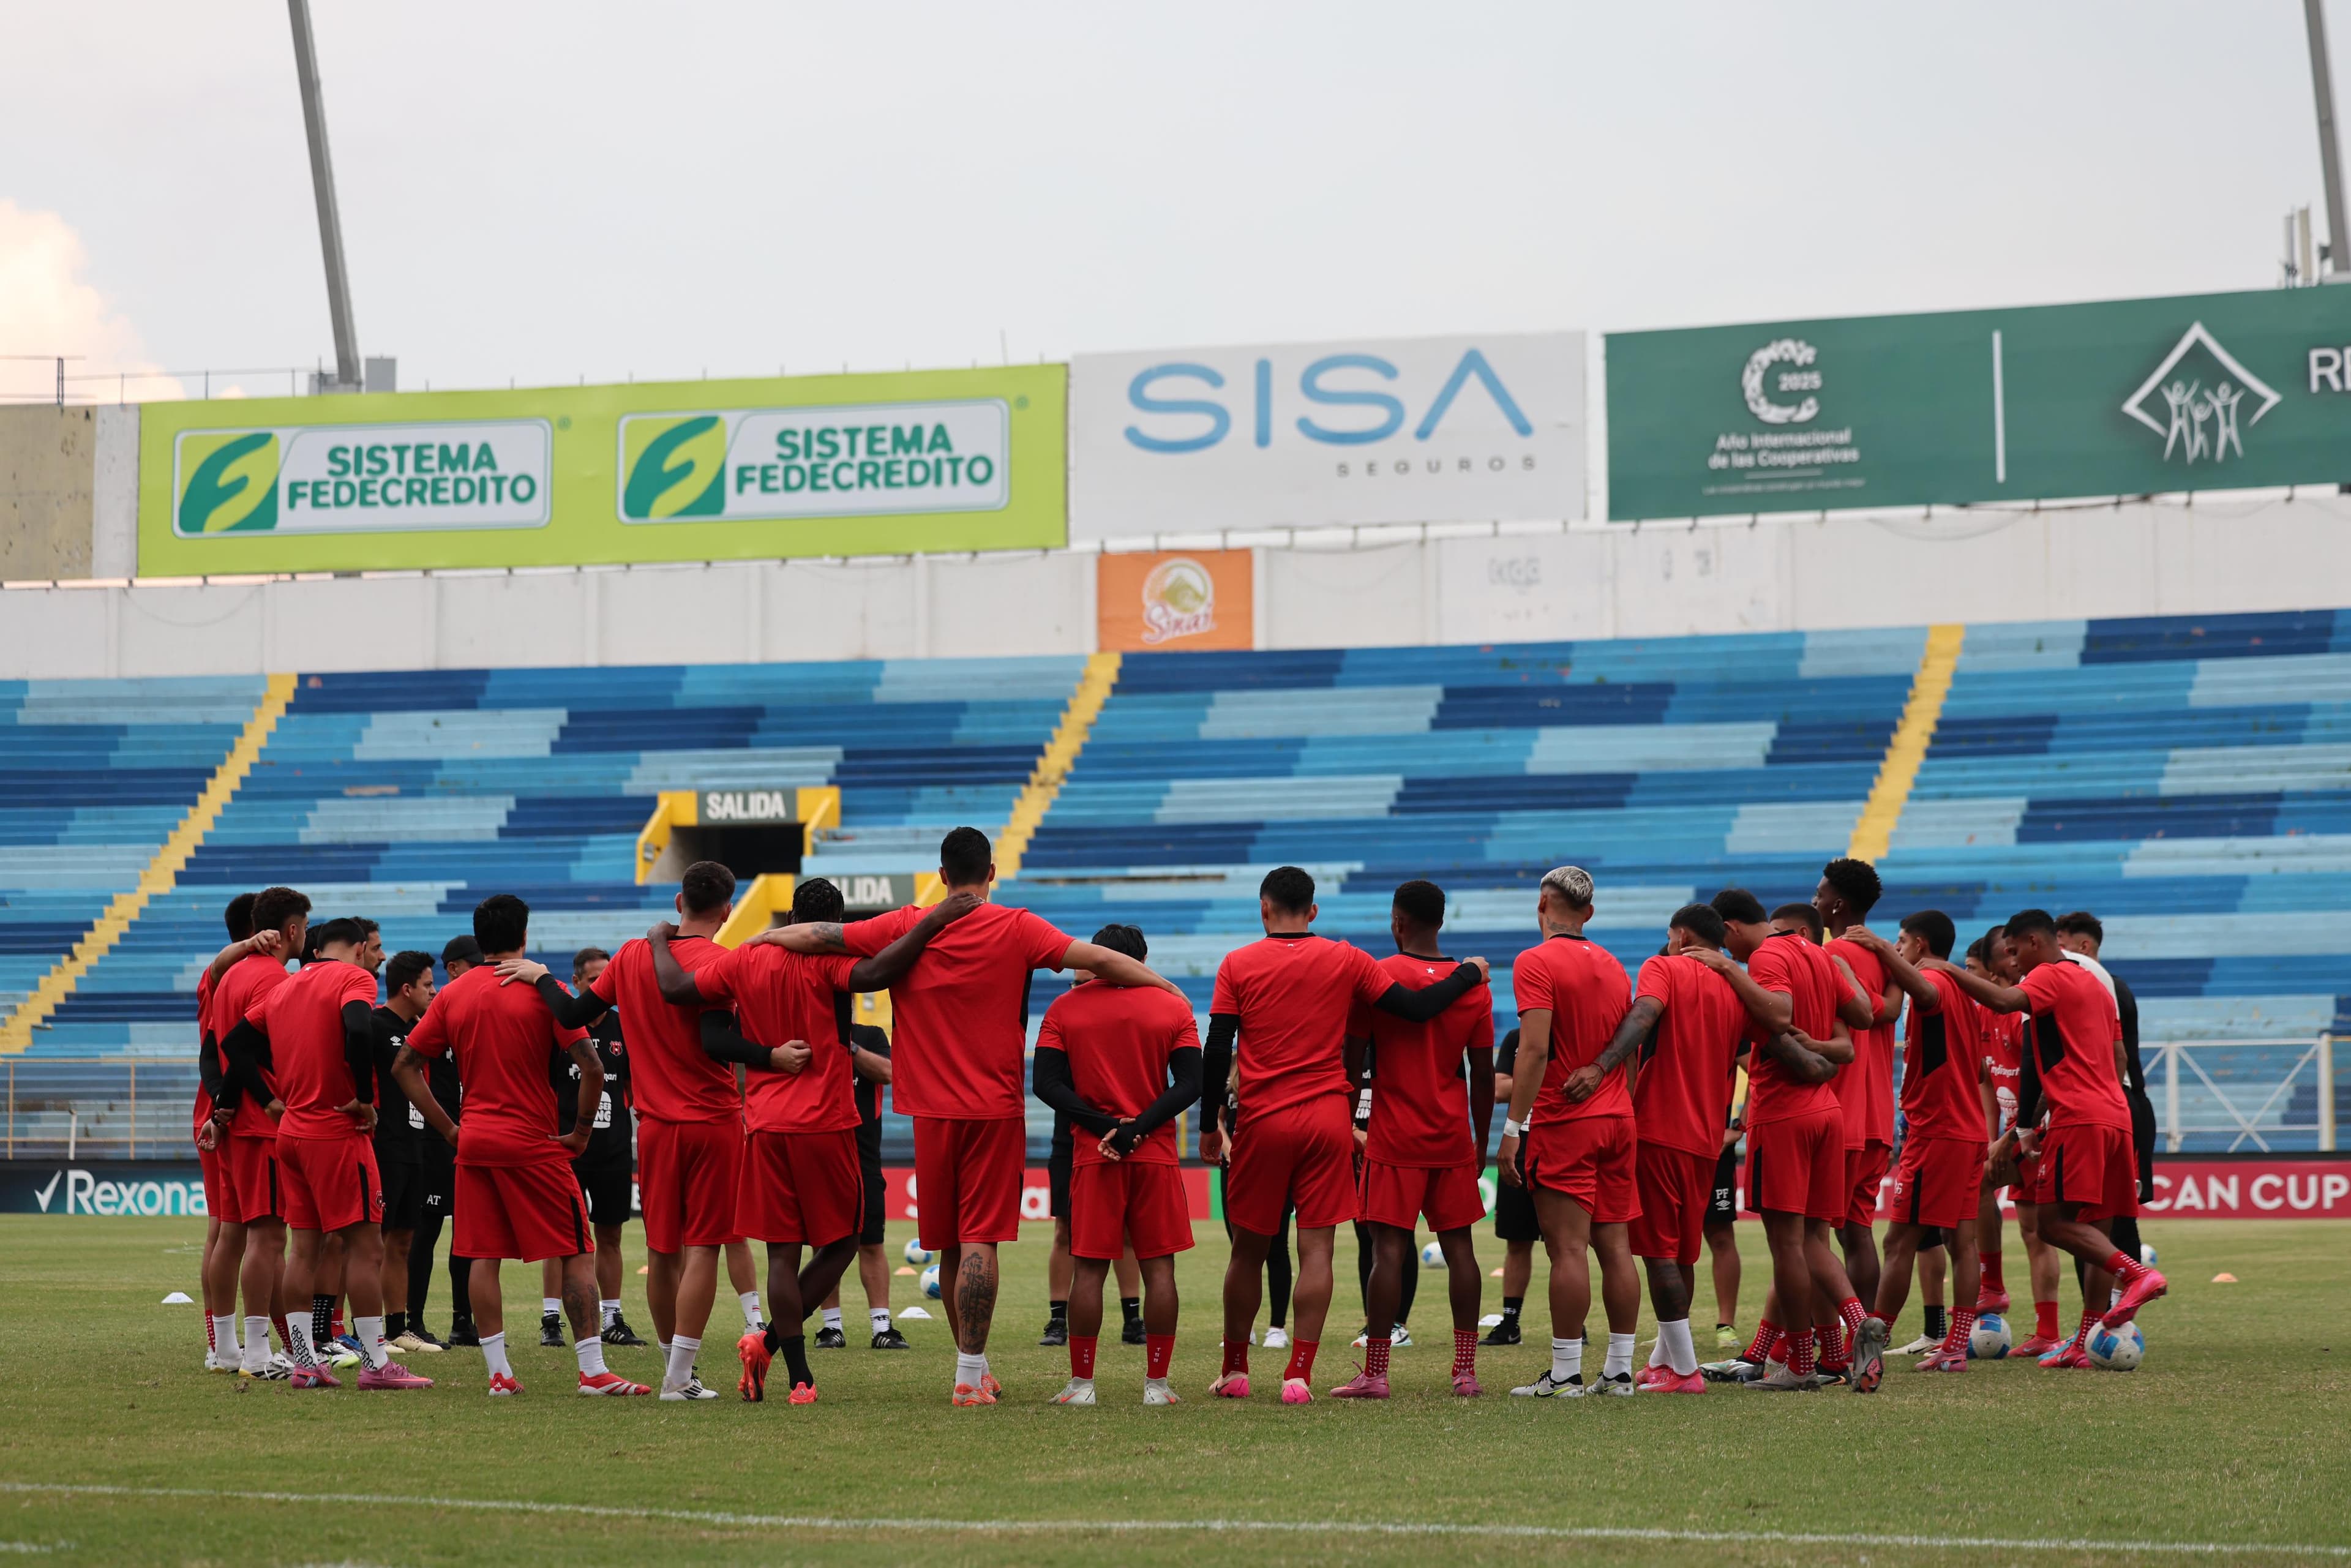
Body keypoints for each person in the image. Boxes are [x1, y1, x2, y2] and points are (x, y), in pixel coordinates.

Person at [748, 826, 1183, 1406]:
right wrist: (1167, 987)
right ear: (992, 873)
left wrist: (760, 937)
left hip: (927, 1108)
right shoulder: (1018, 926)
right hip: (992, 1107)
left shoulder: (905, 923)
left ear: (943, 873)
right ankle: (968, 1374)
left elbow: (820, 935)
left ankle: (973, 1370)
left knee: (951, 1246)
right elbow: (1101, 958)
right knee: (981, 1241)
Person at [650, 875, 971, 1403]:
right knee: (845, 1241)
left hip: (767, 1123)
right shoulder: (827, 962)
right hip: (825, 1121)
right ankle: (770, 1346)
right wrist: (933, 920)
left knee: (781, 1254)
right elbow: (881, 969)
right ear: (832, 922)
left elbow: (675, 990)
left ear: (791, 913)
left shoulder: (745, 958)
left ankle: (799, 1377)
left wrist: (660, 940)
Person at [1198, 865, 1489, 1405]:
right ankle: (1298, 1377)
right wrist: (1469, 973)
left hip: (1264, 1119)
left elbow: (1217, 1047)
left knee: (1248, 1252)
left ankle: (1236, 1369)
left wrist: (1209, 1121)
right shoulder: (1347, 958)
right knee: (1318, 1248)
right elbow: (1417, 1007)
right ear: (1313, 911)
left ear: (1264, 909)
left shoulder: (1237, 962)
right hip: (1329, 1121)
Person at [499, 861, 744, 1400]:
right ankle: (679, 1377)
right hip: (714, 1121)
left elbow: (574, 1010)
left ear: (679, 902)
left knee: (662, 1251)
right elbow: (717, 1041)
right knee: (704, 1248)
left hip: (653, 1125)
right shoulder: (722, 963)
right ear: (727, 910)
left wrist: (540, 975)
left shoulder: (632, 954)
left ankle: (673, 1370)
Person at [392, 893, 649, 1397]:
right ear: (524, 937)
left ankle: (499, 1373)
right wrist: (579, 1132)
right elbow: (592, 1066)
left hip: (476, 1142)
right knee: (577, 1249)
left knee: (483, 1256)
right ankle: (593, 1369)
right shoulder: (537, 989)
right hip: (534, 1141)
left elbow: (405, 1065)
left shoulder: (453, 994)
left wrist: (449, 1129)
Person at [1925, 910, 2169, 1367]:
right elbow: (2117, 1053)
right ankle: (2084, 1339)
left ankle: (2137, 1275)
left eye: (2014, 951)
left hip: (2078, 1116)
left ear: (2034, 942)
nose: (2012, 961)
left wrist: (1948, 970)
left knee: (2052, 1223)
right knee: (2096, 1226)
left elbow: (2002, 1001)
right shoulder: (2097, 986)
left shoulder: (2050, 977)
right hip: (2116, 1115)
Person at [220, 917, 431, 1389]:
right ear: (357, 948)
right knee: (365, 1245)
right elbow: (358, 1028)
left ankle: (303, 1360)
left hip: (291, 1131)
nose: (375, 960)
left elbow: (235, 1043)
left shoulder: (285, 987)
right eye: (373, 950)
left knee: (305, 1248)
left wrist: (270, 1098)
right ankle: (377, 1364)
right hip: (336, 1130)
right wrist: (363, 1096)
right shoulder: (352, 978)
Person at [1685, 888, 1867, 1390]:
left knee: (1788, 1246)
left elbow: (1781, 1014)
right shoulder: (1817, 953)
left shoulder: (1764, 956)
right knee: (1814, 1240)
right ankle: (1849, 1333)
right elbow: (1864, 1017)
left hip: (1783, 1113)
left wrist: (1727, 972)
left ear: (1730, 929)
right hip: (1828, 1110)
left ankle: (1802, 1367)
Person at [1031, 923, 1202, 1408]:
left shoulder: (1064, 1009)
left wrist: (1104, 1124)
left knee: (1088, 1270)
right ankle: (1158, 1385)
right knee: (1160, 1270)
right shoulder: (1173, 1007)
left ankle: (1083, 1386)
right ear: (1141, 959)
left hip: (1093, 1153)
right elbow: (1191, 1082)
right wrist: (1138, 1127)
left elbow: (1046, 1083)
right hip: (1155, 1154)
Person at [1335, 880, 1494, 1400]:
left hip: (1393, 1134)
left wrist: (1344, 1118)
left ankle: (1376, 1373)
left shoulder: (1377, 976)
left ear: (1397, 921)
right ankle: (1465, 1371)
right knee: (1462, 1251)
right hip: (1451, 1135)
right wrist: (1481, 1138)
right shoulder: (1475, 984)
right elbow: (1484, 1073)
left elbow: (1351, 1059)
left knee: (1388, 1252)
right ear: (1441, 922)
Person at [1495, 866, 1639, 1398]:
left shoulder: (1536, 961)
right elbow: (1632, 1047)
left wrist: (1514, 1128)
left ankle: (1565, 1374)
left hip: (1566, 1121)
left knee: (1568, 1250)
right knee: (1617, 1246)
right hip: (1619, 1117)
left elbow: (1533, 1050)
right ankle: (1620, 1371)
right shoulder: (1614, 965)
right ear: (1590, 912)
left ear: (1542, 904)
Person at [1594, 902, 1747, 1394]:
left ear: (1680, 936)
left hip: (1661, 1128)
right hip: (1707, 1139)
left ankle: (1685, 1370)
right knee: (1682, 1253)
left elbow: (1644, 1015)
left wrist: (1603, 1065)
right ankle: (1664, 1360)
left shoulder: (1664, 966)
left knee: (1658, 1251)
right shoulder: (1736, 985)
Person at [1840, 912, 1989, 1387]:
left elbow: (1924, 994)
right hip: (1969, 1128)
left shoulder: (1932, 977)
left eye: (1901, 941)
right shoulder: (1966, 984)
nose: (1896, 947)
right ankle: (1957, 1346)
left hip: (1939, 1130)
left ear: (1920, 943)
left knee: (1898, 1241)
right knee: (1961, 1243)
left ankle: (1871, 1343)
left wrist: (1880, 950)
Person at [204, 885, 311, 1380]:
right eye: (304, 927)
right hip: (261, 1126)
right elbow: (249, 1051)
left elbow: (216, 1046)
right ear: (292, 930)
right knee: (269, 1237)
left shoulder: (228, 975)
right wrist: (269, 1101)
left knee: (232, 1233)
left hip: (233, 1121)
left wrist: (220, 1107)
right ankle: (256, 1352)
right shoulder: (271, 978)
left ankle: (226, 1348)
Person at [534, 947, 644, 1351]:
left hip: (613, 1146)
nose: (602, 985)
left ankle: (613, 1316)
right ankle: (550, 1318)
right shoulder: (561, 1025)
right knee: (560, 1236)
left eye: (607, 977)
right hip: (565, 1146)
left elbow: (637, 1085)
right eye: (594, 978)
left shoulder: (625, 1026)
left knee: (610, 1233)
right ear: (577, 982)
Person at [1817, 860, 1903, 1331]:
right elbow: (1891, 1007)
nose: (1814, 900)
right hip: (1876, 1116)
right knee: (1858, 1231)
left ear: (1839, 904)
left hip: (1839, 1112)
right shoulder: (1887, 956)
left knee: (1811, 1237)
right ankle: (1863, 1338)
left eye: (1819, 892)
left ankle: (1820, 1340)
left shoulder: (1832, 958)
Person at [2055, 911, 2158, 1299]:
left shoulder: (2103, 986)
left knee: (2117, 1217)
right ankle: (2102, 1316)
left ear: (2083, 947)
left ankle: (2118, 1309)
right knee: (2094, 1216)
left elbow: (2116, 1056)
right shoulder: (2106, 986)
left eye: (2060, 942)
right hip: (2114, 1103)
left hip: (2117, 1103)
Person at [193, 891, 269, 1374]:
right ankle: (226, 1342)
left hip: (222, 1101)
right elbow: (219, 964)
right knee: (236, 1228)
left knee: (231, 1228)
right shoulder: (230, 972)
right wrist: (247, 946)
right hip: (227, 1104)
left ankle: (225, 1344)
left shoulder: (241, 976)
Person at [819, 1018, 909, 1351]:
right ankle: (831, 1328)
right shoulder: (806, 1034)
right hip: (821, 1155)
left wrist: (849, 1047)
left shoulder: (870, 1035)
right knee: (825, 1244)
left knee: (871, 1242)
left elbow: (888, 1072)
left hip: (864, 1159)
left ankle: (882, 1327)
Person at [371, 950, 441, 1355]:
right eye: (429, 985)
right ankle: (357, 1330)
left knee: (402, 1239)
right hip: (385, 1146)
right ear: (407, 988)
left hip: (414, 1145)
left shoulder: (419, 1029)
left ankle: (397, 1327)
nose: (434, 992)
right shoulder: (376, 1025)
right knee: (372, 1242)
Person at [1044, 1126, 1144, 1349]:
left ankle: (1133, 1320)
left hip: (1122, 1142)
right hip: (1070, 1144)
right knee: (1064, 1230)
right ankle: (1058, 1320)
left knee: (1126, 1231)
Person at [433, 933, 485, 1347]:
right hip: (441, 1136)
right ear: (454, 968)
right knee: (422, 1230)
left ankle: (464, 1318)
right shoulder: (443, 1007)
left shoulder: (477, 1003)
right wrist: (446, 1126)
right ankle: (406, 1320)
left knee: (470, 1230)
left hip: (471, 1131)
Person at [1482, 1028, 1539, 1348]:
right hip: (1521, 1144)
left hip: (1563, 1140)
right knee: (1517, 1241)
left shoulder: (1575, 1030)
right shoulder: (1517, 1038)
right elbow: (1498, 1089)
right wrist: (1546, 1079)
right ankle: (1510, 1324)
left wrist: (1527, 1082)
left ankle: (1575, 1323)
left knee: (1569, 1244)